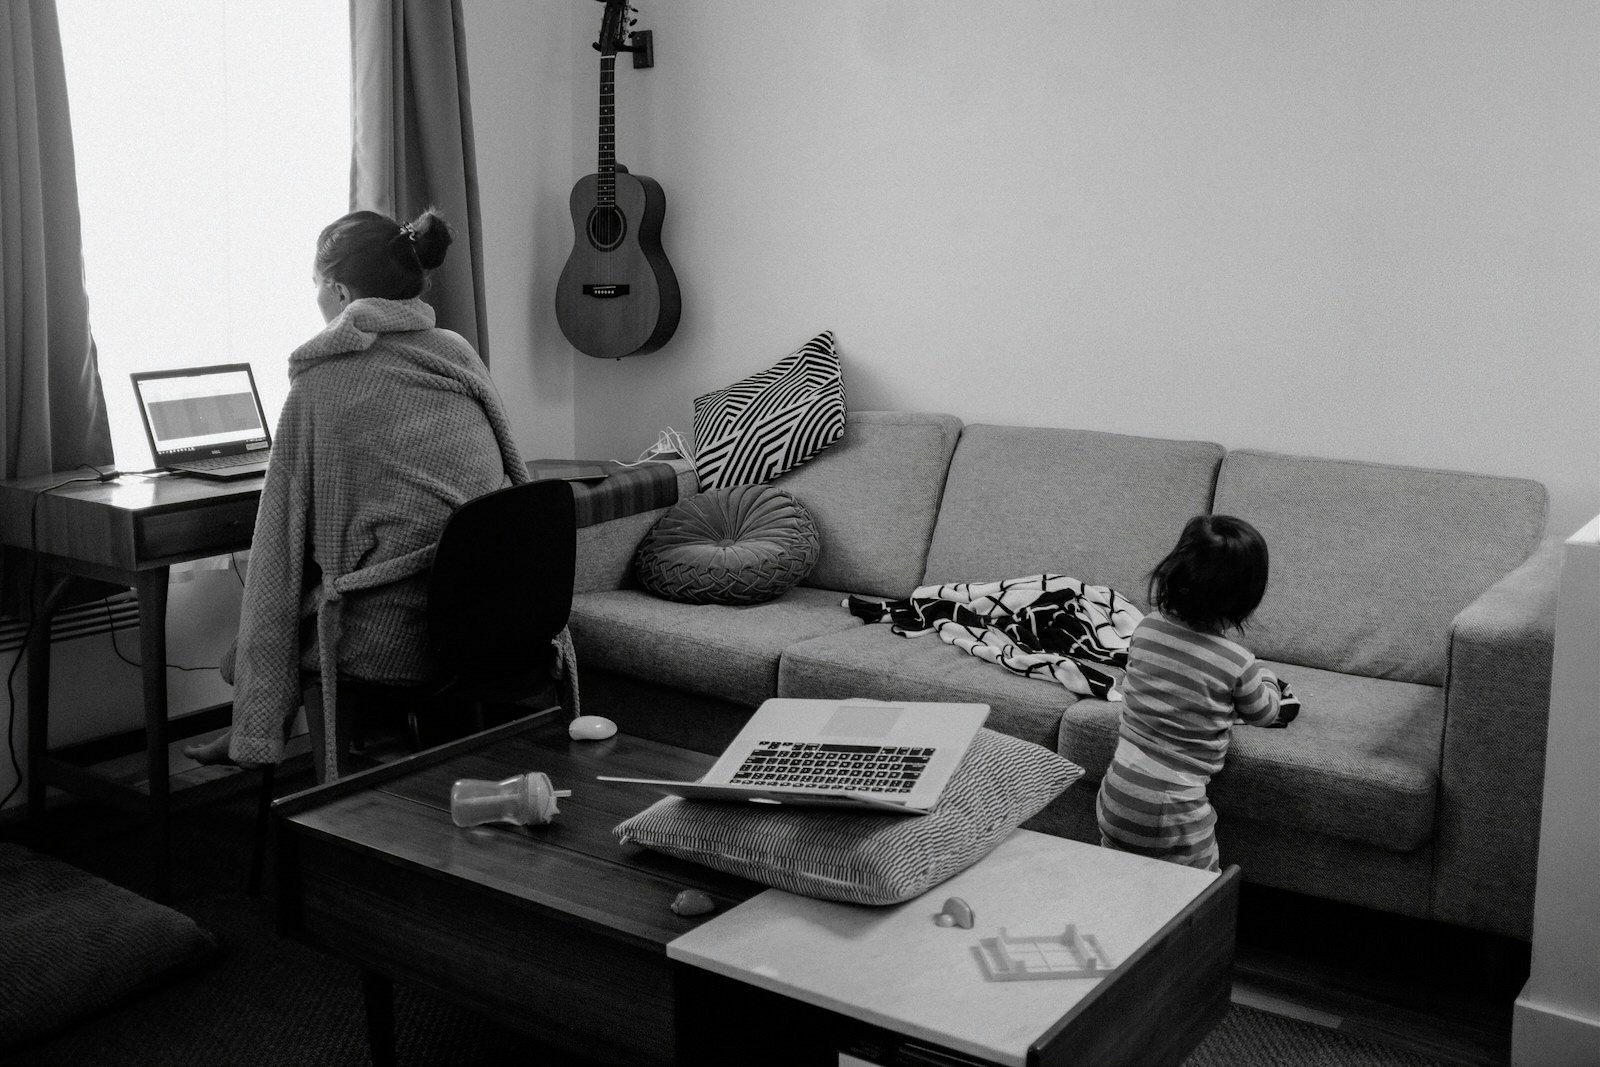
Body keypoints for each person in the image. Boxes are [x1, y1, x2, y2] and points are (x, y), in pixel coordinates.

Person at [183, 207, 526, 781]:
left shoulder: (319, 385)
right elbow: (515, 470)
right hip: (492, 608)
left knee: (283, 600)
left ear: (339, 292)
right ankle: (269, 733)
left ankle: (279, 752)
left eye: (316, 284)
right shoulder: (455, 352)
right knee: (320, 582)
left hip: (399, 632)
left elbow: (276, 554)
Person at [1095, 514, 1299, 871]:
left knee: (1119, 877)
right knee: (1200, 891)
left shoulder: (1147, 628)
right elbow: (1264, 713)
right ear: (1246, 598)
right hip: (1173, 811)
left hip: (1116, 791)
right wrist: (1267, 679)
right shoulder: (1236, 662)